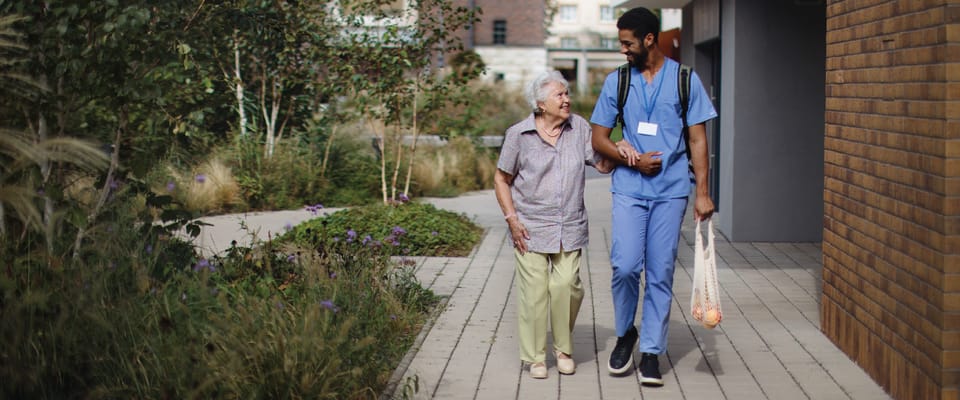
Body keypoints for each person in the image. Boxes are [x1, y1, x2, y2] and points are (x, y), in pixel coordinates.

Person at [589, 7, 717, 386]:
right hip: (630, 186)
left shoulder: (684, 79)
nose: (622, 50)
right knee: (625, 265)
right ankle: (626, 332)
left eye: (628, 43)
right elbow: (598, 137)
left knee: (660, 271)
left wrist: (703, 194)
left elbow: (697, 139)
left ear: (649, 39)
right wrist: (626, 155)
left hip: (672, 190)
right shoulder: (618, 81)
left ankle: (652, 351)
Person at [495, 70, 613, 379]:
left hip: (569, 224)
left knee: (566, 287)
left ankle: (563, 349)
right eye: (559, 95)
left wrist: (619, 149)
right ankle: (536, 357)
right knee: (534, 292)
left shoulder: (579, 129)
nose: (566, 99)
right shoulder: (519, 135)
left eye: (566, 93)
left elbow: (600, 164)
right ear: (540, 103)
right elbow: (501, 178)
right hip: (529, 227)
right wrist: (512, 219)